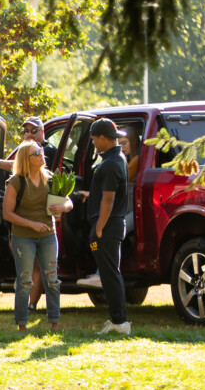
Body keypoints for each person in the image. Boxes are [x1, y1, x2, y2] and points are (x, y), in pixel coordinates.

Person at [0, 114, 55, 313]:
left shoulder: (45, 151)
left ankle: (30, 305)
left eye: (33, 130)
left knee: (36, 265)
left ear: (42, 132)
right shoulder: (24, 151)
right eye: (26, 131)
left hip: (39, 218)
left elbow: (23, 168)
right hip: (19, 219)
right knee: (26, 265)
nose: (28, 134)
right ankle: (26, 304)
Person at [3, 141, 72, 332]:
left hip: (48, 235)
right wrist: (32, 224)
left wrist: (62, 207)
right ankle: (22, 325)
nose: (42, 155)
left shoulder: (49, 178)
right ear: (27, 159)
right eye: (36, 153)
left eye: (41, 151)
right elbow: (7, 214)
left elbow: (69, 201)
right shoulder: (16, 181)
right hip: (23, 237)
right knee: (25, 280)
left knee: (52, 279)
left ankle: (55, 324)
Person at [87, 118, 132, 335]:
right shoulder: (117, 158)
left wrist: (99, 228)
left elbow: (109, 200)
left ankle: (119, 322)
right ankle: (117, 320)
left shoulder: (111, 163)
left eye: (94, 139)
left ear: (103, 138)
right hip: (111, 225)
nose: (93, 143)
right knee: (109, 273)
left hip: (108, 227)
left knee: (110, 274)